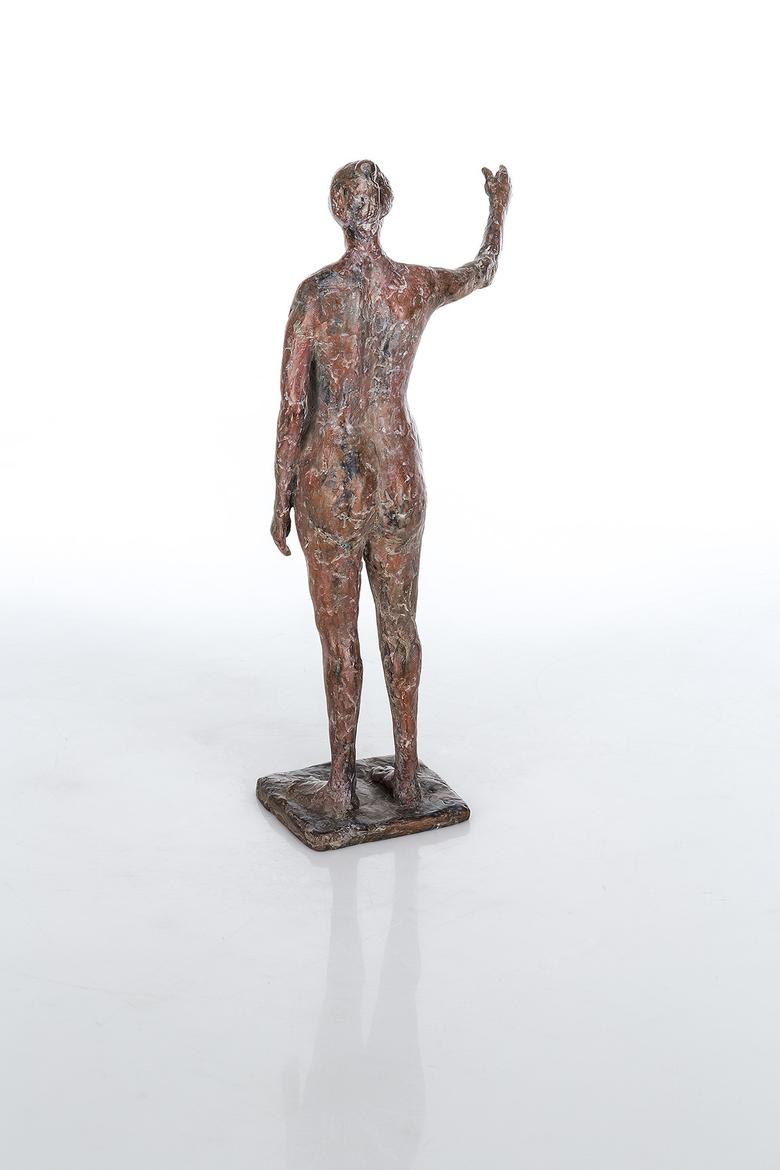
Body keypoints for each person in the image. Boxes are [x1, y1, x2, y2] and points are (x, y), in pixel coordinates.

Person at [271, 159, 510, 818]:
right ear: (385, 207)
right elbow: (482, 271)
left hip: (331, 480)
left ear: (338, 209)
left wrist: (280, 492)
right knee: (400, 627)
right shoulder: (413, 286)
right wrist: (498, 209)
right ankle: (405, 775)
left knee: (341, 639)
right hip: (399, 474)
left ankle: (342, 783)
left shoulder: (316, 295)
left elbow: (293, 405)